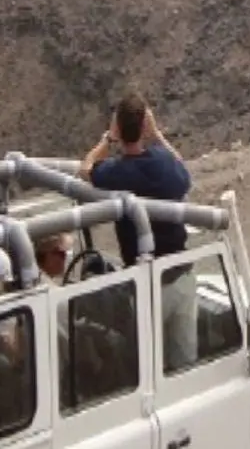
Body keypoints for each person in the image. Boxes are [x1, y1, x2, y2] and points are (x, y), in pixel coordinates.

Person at [81, 92, 195, 369]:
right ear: (145, 124)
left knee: (146, 366)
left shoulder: (117, 174)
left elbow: (85, 170)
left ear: (119, 128)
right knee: (184, 366)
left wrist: (108, 139)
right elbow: (184, 172)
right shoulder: (164, 163)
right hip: (181, 277)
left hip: (147, 286)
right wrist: (157, 135)